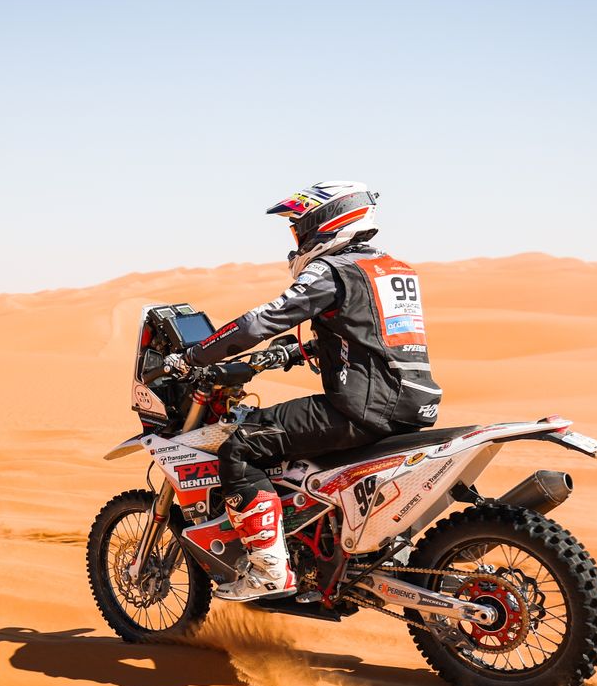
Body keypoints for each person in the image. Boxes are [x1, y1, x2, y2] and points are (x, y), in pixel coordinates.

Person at [165, 181, 443, 601]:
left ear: (326, 223)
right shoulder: (392, 269)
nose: (297, 240)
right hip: (414, 402)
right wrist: (300, 351)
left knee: (239, 445)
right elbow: (374, 336)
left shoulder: (332, 270)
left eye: (299, 228)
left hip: (360, 407)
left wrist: (195, 355)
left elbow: (260, 322)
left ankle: (268, 572)